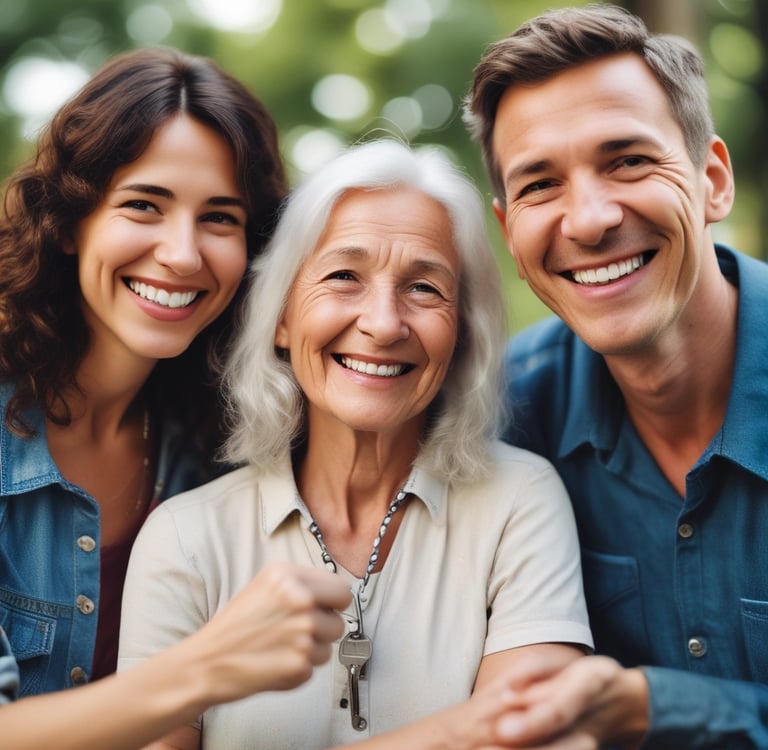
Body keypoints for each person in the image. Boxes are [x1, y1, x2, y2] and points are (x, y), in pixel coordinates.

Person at [117, 138, 593, 750]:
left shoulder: (518, 501)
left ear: (461, 333)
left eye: (425, 288)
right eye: (344, 276)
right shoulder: (185, 537)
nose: (384, 323)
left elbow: (532, 737)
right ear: (282, 318)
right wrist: (464, 732)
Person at [0, 45, 352, 747]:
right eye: (143, 206)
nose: (183, 254)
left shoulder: (228, 439)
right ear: (69, 222)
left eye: (219, 218)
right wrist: (203, 670)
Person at [463, 3, 768, 748]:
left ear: (712, 180)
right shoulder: (498, 423)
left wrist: (654, 708)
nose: (590, 219)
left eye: (628, 160)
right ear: (509, 231)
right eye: (540, 185)